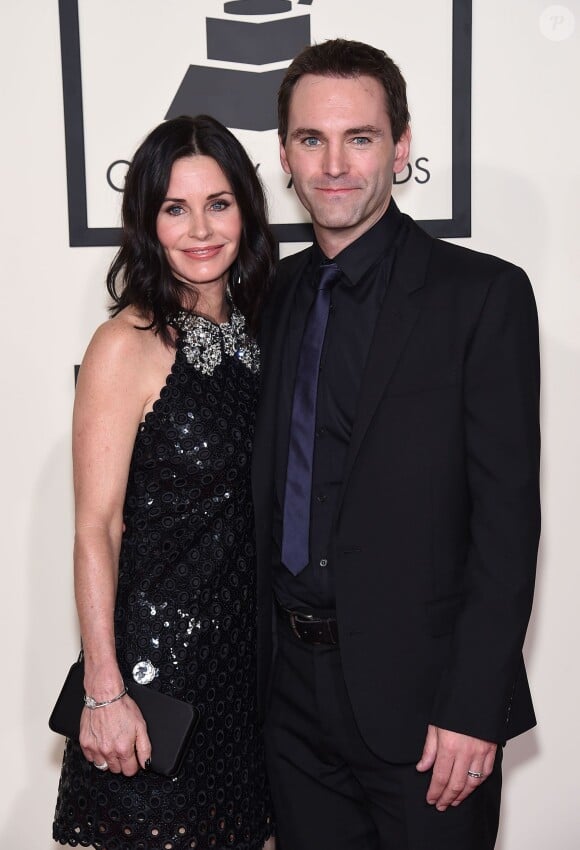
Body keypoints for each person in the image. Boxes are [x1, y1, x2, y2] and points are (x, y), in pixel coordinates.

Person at [252, 39, 540, 850]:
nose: (335, 163)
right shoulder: (273, 297)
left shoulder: (482, 296)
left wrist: (474, 705)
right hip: (290, 708)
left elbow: (508, 524)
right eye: (312, 139)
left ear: (402, 146)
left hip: (427, 714)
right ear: (285, 156)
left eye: (361, 137)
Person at [53, 114, 276, 850]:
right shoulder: (129, 341)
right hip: (154, 682)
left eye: (218, 203)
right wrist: (104, 689)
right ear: (148, 222)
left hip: (244, 683)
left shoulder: (258, 337)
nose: (200, 229)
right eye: (175, 208)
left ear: (245, 208)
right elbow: (97, 525)